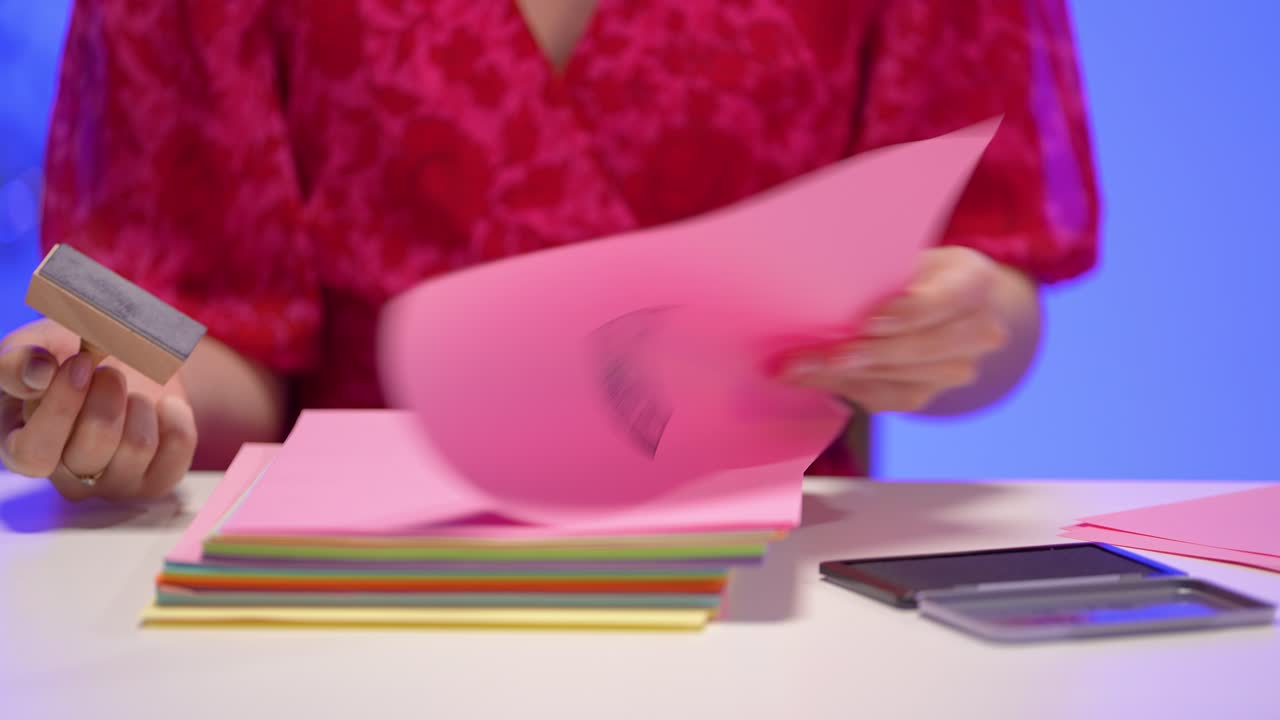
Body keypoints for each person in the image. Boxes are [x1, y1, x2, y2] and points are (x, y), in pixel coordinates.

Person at [0, 0, 1098, 501]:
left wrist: (965, 320)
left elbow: (988, 279)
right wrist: (117, 399)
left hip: (770, 598)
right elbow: (213, 349)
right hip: (359, 595)